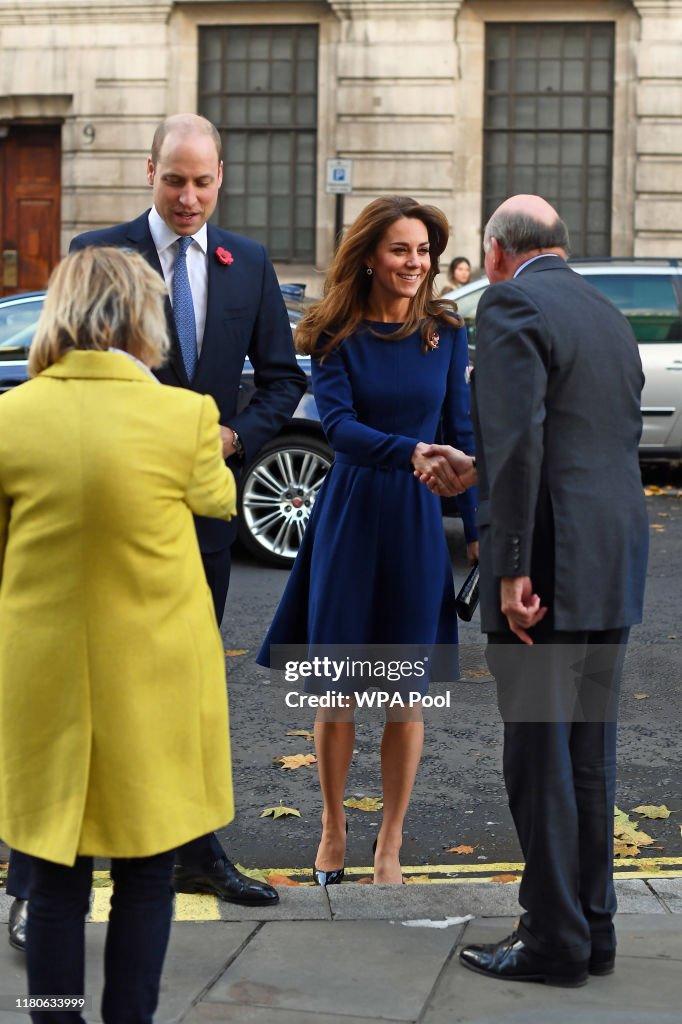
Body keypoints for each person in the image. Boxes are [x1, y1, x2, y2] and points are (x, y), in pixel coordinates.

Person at [6, 112, 307, 941]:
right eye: (174, 179)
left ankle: (192, 852)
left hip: (191, 533)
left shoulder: (244, 262)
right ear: (149, 173)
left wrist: (233, 434)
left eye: (202, 181)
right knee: (68, 712)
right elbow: (59, 361)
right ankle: (38, 886)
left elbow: (280, 379)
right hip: (82, 532)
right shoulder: (98, 250)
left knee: (176, 701)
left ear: (220, 180)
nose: (188, 196)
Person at [417, 195, 649, 985]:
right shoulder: (606, 313)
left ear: (495, 253)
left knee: (538, 757)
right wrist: (480, 472)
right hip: (610, 563)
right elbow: (580, 441)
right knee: (589, 755)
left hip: (545, 571)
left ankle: (552, 939)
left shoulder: (512, 302)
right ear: (561, 244)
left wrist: (510, 570)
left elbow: (519, 445)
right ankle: (594, 929)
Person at [0, 246, 237, 1021]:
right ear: (141, 318)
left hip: (42, 677)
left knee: (56, 885)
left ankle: (57, 1016)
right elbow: (218, 501)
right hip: (156, 677)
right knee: (146, 875)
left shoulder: (11, 417)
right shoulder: (185, 416)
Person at [257, 196, 478, 885]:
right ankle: (332, 827)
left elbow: (462, 431)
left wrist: (478, 530)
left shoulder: (446, 329)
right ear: (370, 258)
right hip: (351, 516)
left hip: (416, 523)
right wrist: (411, 450)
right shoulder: (336, 332)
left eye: (423, 252)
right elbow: (342, 429)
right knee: (337, 690)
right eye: (400, 251)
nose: (415, 264)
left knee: (405, 693)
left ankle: (390, 841)